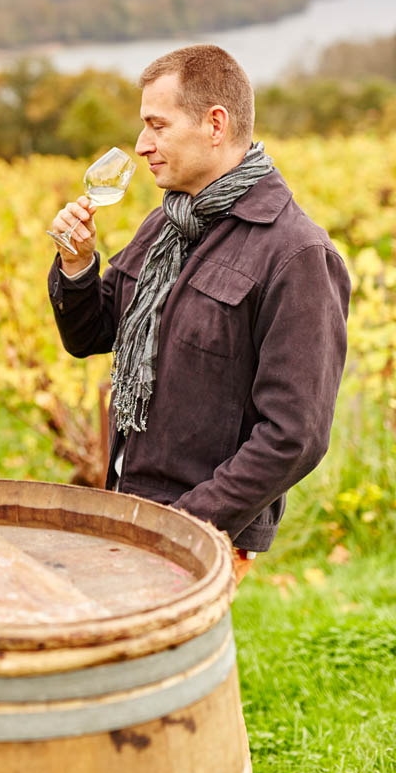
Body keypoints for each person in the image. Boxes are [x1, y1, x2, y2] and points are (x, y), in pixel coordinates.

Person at [48, 44, 350, 583]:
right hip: (129, 506)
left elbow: (294, 434)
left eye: (156, 126)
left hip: (200, 538)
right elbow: (92, 333)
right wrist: (77, 265)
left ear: (215, 124)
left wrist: (188, 524)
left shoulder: (297, 255)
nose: (142, 145)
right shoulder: (165, 226)